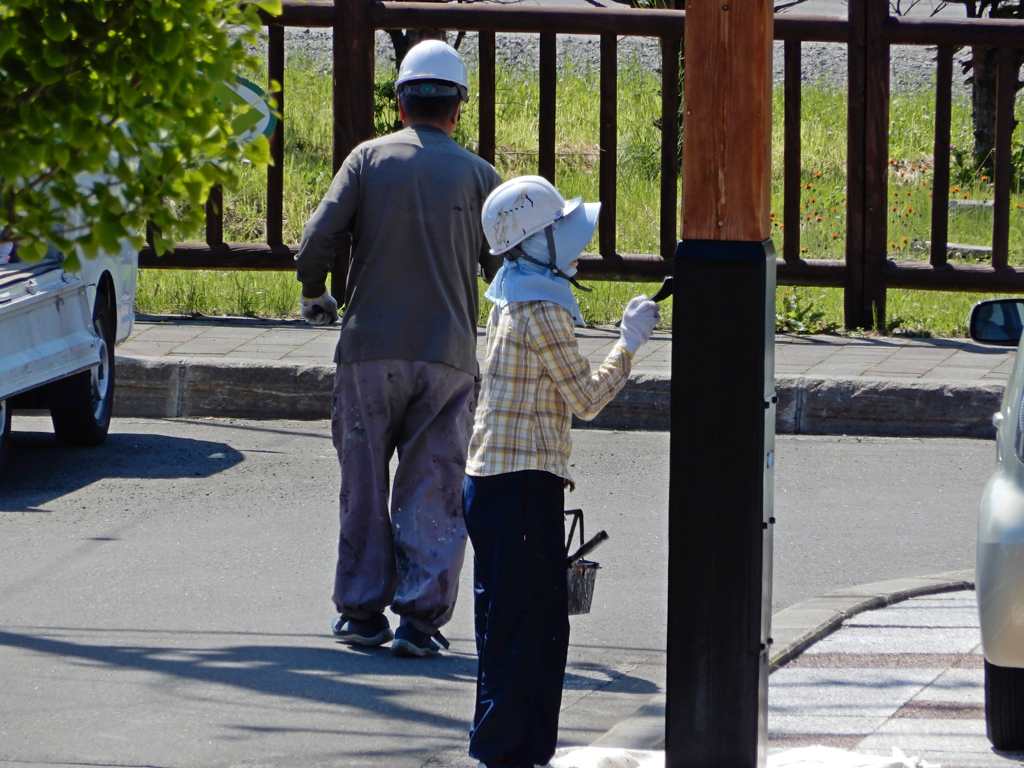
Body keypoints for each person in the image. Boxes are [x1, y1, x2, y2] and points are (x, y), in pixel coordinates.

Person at [294, 39, 503, 659]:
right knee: (434, 484)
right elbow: (504, 269)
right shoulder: (478, 175)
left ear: (402, 103)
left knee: (362, 479)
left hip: (369, 352)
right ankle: (419, 619)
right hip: (449, 357)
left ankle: (361, 612)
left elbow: (317, 240)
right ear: (456, 109)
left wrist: (315, 292)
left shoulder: (367, 160)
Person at [463, 175, 661, 767]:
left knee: (505, 627)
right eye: (564, 236)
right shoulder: (544, 307)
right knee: (532, 633)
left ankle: (504, 748)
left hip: (494, 483)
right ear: (535, 242)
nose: (577, 247)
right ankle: (509, 755)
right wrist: (628, 345)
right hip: (523, 485)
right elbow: (587, 398)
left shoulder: (510, 293)